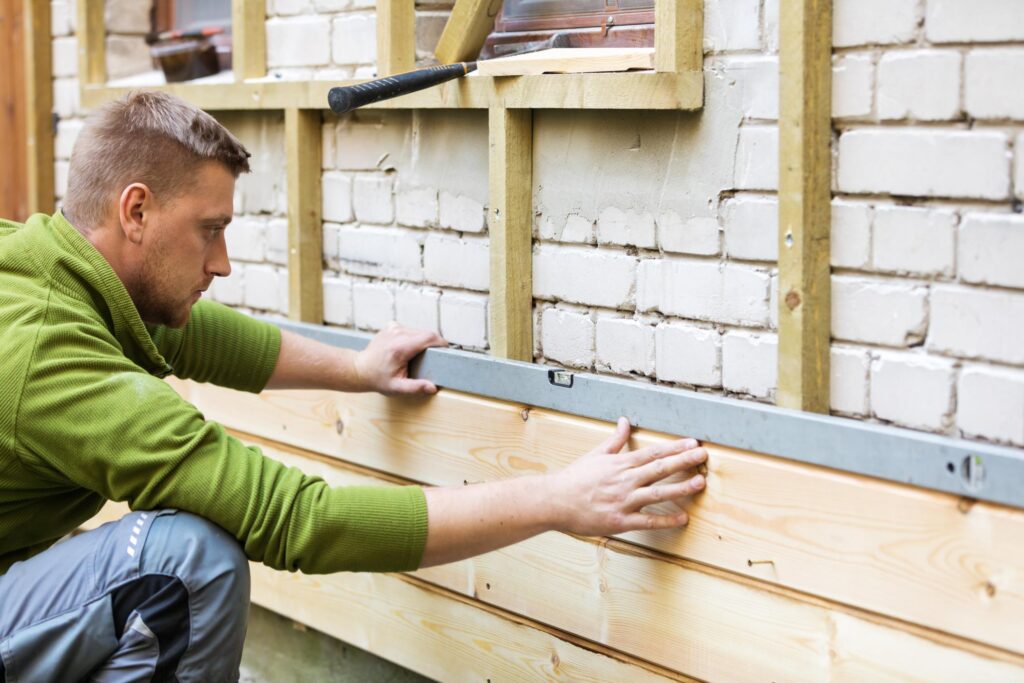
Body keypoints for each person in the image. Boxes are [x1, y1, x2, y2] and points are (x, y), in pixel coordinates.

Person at [0, 91, 707, 681]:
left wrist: (357, 369)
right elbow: (297, 522)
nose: (222, 263)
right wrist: (554, 497)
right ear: (135, 211)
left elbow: (194, 335)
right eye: (209, 230)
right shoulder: (48, 354)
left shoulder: (47, 269)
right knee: (184, 563)